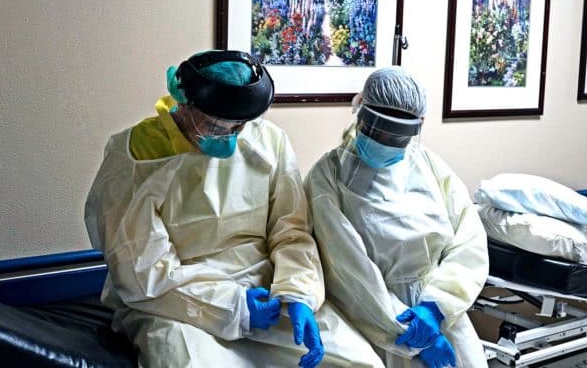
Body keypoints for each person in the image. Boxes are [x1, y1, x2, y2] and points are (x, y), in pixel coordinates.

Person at [84, 50, 383, 368]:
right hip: (177, 305)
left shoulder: (268, 142)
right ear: (185, 103)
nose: (230, 135)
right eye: (216, 125)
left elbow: (292, 230)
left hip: (265, 293)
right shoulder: (137, 157)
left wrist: (298, 292)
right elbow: (143, 273)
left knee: (361, 362)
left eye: (239, 126)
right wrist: (233, 306)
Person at [304, 66, 489, 368]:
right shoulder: (328, 176)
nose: (386, 141)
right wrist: (406, 332)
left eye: (398, 135)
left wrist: (437, 307)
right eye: (378, 130)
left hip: (439, 312)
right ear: (360, 110)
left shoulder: (428, 164)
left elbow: (469, 239)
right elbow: (350, 272)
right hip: (372, 319)